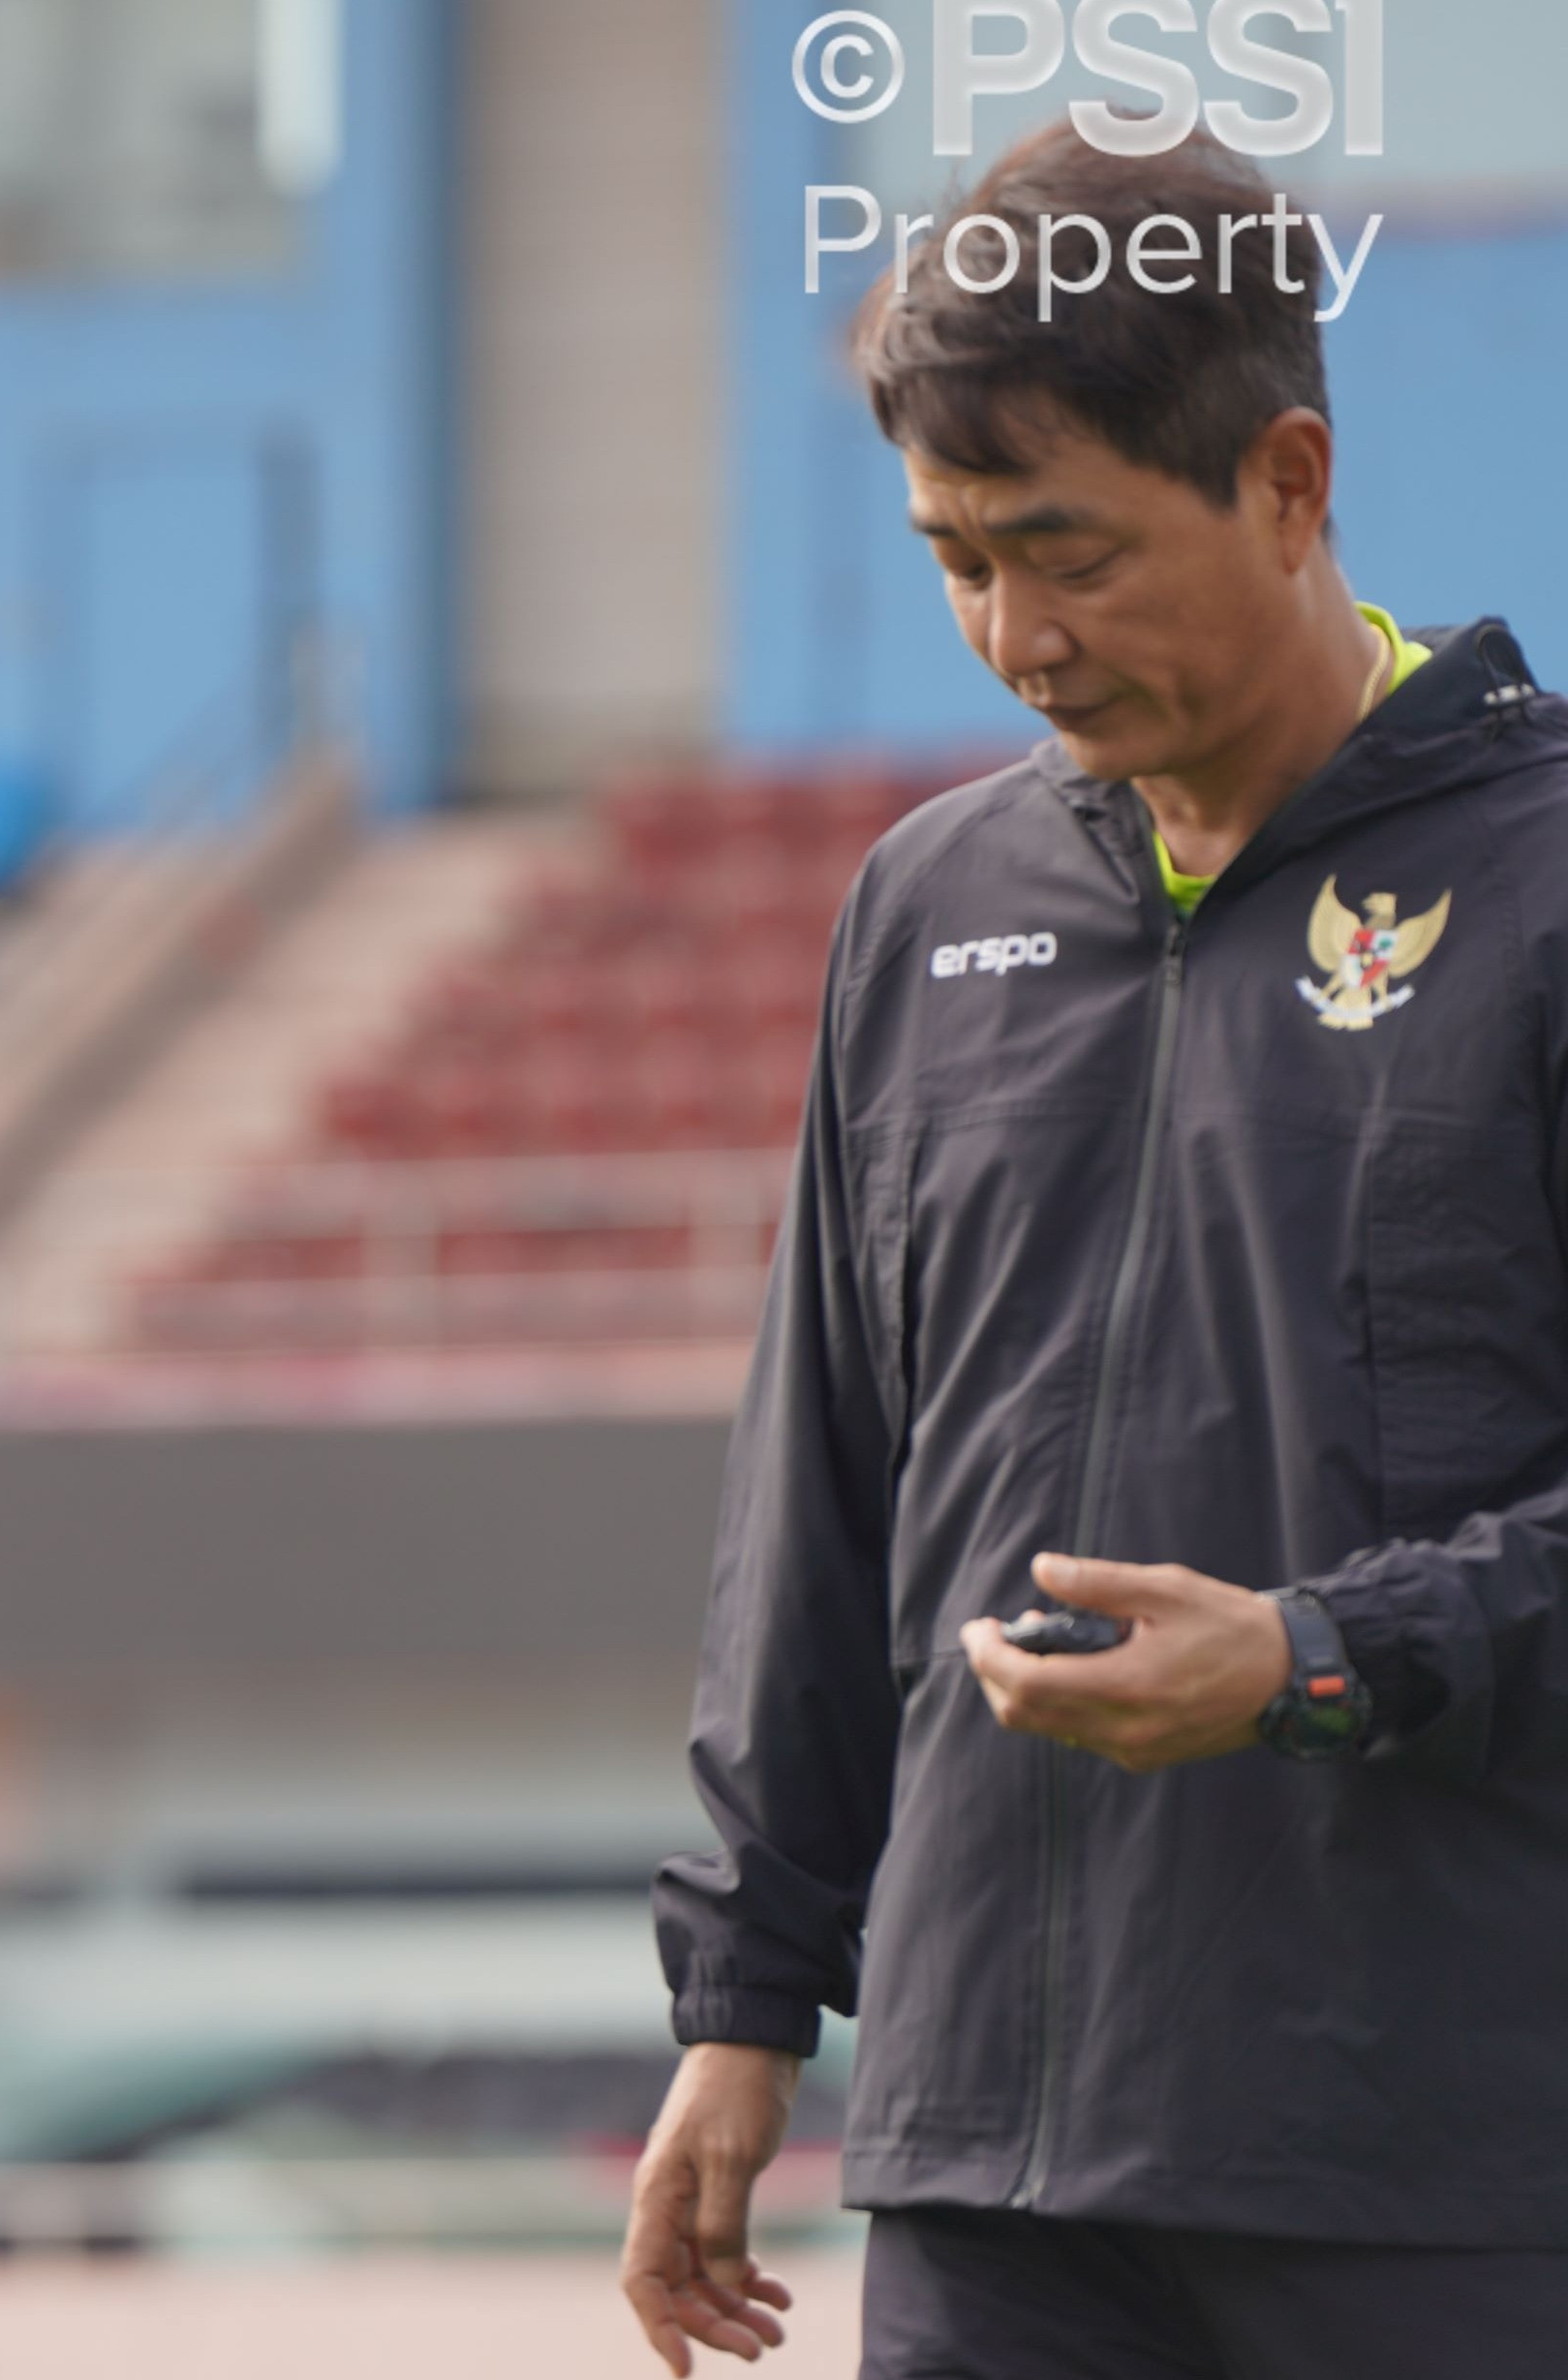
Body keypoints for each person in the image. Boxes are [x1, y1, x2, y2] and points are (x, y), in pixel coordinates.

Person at [627, 125, 1568, 2377]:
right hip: (988, 2185)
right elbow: (823, 1497)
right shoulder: (924, 910)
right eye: (955, 559)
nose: (1014, 639)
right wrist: (747, 2002)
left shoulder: (1545, 883)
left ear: (1286, 475)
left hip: (1451, 2176)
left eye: (1067, 553)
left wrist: (1323, 1657)